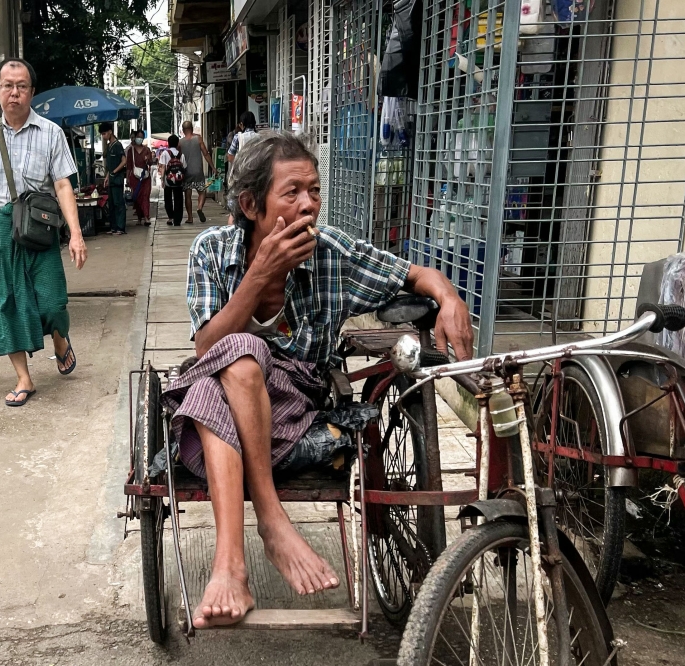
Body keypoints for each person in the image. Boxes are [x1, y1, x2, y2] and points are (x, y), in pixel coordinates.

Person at [161, 132, 473, 628]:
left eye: (314, 189)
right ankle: (259, 532)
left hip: (295, 406)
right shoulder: (212, 251)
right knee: (233, 360)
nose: (309, 204)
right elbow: (206, 347)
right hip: (226, 390)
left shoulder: (332, 252)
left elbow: (413, 274)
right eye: (291, 193)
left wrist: (451, 299)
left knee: (219, 379)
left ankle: (233, 562)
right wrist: (258, 275)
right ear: (249, 205)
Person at [0, 58, 87, 407]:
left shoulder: (51, 132)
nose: (14, 93)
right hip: (2, 229)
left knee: (51, 301)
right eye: (7, 85)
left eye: (21, 86)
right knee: (7, 305)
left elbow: (63, 185)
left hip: (37, 225)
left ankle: (60, 339)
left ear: (32, 92)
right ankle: (23, 378)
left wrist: (75, 234)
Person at [224, 111, 259, 225]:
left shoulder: (238, 137)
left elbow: (230, 156)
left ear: (242, 124)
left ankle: (233, 228)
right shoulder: (260, 137)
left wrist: (239, 164)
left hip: (242, 175)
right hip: (257, 174)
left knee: (236, 203)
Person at [179, 120, 216, 224]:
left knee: (188, 194)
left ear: (183, 130)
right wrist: (213, 167)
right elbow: (205, 153)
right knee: (202, 191)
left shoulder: (180, 142)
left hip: (186, 172)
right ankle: (199, 208)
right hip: (198, 171)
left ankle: (190, 218)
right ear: (192, 128)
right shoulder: (198, 139)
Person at [100, 122, 127, 235]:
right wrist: (107, 176)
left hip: (117, 179)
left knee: (118, 203)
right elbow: (109, 165)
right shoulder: (109, 146)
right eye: (102, 134)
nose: (103, 136)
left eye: (104, 133)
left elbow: (124, 161)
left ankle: (120, 227)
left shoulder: (117, 145)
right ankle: (114, 227)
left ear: (110, 132)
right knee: (111, 204)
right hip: (111, 178)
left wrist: (114, 172)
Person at [126, 129, 154, 227]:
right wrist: (127, 178)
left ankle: (146, 217)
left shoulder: (147, 150)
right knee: (137, 197)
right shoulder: (131, 151)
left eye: (142, 137)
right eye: (138, 137)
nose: (140, 139)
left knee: (145, 196)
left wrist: (148, 159)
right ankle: (139, 217)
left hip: (145, 177)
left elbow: (151, 163)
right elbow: (129, 166)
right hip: (134, 177)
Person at [158, 134, 186, 226]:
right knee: (178, 199)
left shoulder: (165, 153)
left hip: (168, 180)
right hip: (178, 181)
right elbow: (184, 168)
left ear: (168, 144)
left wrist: (162, 180)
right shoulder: (181, 154)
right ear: (178, 143)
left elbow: (163, 167)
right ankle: (177, 220)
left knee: (168, 199)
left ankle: (170, 217)